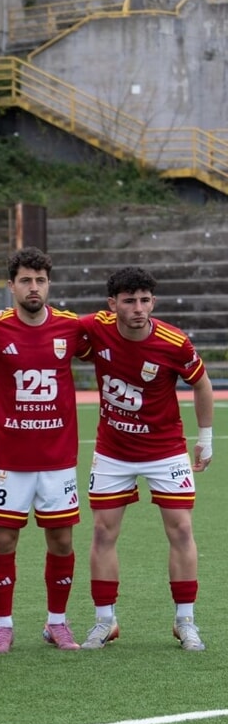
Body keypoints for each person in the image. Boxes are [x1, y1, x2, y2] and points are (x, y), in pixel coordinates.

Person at [78, 266, 214, 651]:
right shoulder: (96, 328)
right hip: (113, 451)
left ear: (152, 301)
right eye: (129, 301)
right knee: (103, 532)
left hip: (165, 450)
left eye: (144, 300)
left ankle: (185, 621)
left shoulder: (174, 342)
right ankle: (105, 622)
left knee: (182, 530)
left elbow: (201, 384)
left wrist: (206, 438)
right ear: (112, 304)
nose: (138, 308)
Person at [0, 247, 89, 653]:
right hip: (9, 460)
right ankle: (3, 626)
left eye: (40, 280)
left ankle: (58, 623)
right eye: (25, 280)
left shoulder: (71, 328)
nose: (33, 287)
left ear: (48, 284)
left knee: (62, 543)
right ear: (11, 286)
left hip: (57, 461)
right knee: (3, 542)